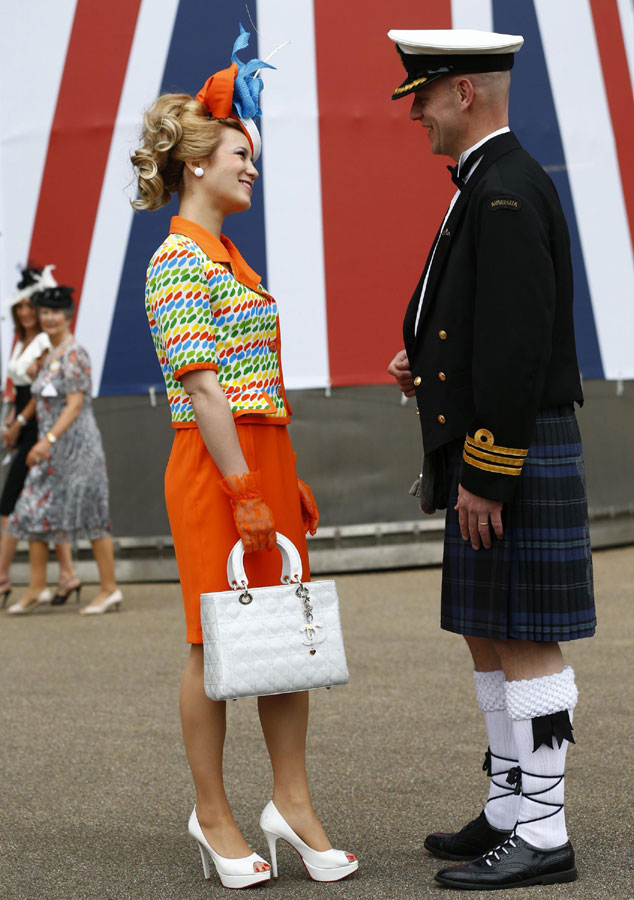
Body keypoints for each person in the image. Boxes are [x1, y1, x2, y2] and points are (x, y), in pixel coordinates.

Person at [131, 26, 358, 891]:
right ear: (197, 164)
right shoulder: (176, 258)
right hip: (215, 465)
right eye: (239, 153)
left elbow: (251, 383)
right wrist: (242, 485)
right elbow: (202, 390)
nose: (250, 166)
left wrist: (278, 476)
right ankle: (213, 811)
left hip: (259, 456)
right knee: (213, 644)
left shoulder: (227, 255)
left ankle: (291, 804)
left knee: (285, 636)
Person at [386, 29, 594, 891]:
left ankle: (544, 828)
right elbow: (483, 324)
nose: (418, 115)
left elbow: (516, 348)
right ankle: (511, 805)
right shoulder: (492, 182)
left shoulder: (504, 189)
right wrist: (427, 363)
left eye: (424, 97)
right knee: (489, 633)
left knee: (526, 639)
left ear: (463, 91)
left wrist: (486, 470)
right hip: (494, 440)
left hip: (507, 444)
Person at [6, 284, 121, 616]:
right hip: (51, 454)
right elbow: (39, 397)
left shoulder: (75, 354)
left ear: (68, 316)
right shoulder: (49, 355)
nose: (49, 318)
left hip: (78, 450)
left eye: (55, 312)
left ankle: (109, 589)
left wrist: (46, 441)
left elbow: (74, 405)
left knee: (93, 517)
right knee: (29, 512)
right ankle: (37, 587)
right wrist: (22, 419)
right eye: (44, 312)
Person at [1, 265, 76, 608]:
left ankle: (3, 578)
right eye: (22, 307)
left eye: (33, 306)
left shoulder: (47, 340)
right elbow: (18, 387)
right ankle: (67, 574)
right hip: (23, 422)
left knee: (12, 501)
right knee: (43, 500)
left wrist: (19, 422)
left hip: (38, 424)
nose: (28, 312)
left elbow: (41, 388)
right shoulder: (22, 341)